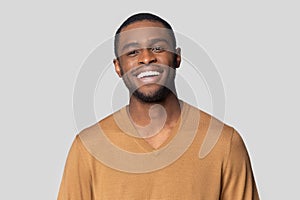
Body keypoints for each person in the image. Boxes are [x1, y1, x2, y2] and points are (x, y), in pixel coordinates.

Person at [58, 12, 259, 200]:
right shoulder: (88, 147)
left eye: (157, 48)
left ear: (177, 57)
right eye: (132, 52)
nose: (146, 58)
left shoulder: (223, 142)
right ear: (118, 67)